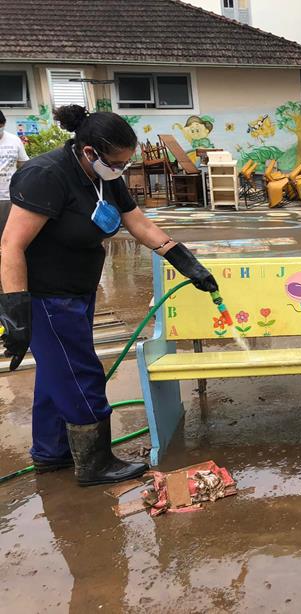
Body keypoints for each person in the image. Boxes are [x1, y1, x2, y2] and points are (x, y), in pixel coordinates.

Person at [0, 105, 218, 486]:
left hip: (78, 290)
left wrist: (184, 260)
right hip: (46, 297)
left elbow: (138, 223)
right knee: (81, 375)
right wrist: (15, 311)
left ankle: (51, 452)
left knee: (57, 372)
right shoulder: (46, 176)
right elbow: (10, 245)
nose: (121, 168)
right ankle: (95, 463)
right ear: (89, 152)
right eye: (116, 162)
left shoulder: (104, 178)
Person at [0, 110, 30, 236]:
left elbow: (24, 165)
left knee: (9, 235)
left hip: (10, 197)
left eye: (0, 126)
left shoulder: (14, 140)